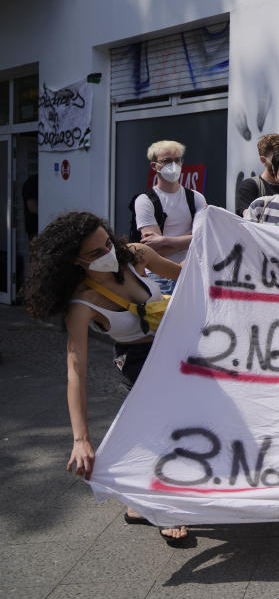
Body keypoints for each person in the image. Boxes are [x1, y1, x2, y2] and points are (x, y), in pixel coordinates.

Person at [23, 211, 188, 545]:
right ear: (74, 262)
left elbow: (188, 278)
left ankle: (137, 506)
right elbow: (76, 370)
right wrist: (81, 439)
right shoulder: (82, 304)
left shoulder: (136, 255)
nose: (108, 253)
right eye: (95, 253)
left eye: (107, 243)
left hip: (177, 346)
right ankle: (161, 505)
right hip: (137, 361)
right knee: (163, 426)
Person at [134, 140, 208, 295]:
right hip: (159, 275)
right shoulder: (145, 201)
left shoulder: (196, 198)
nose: (173, 165)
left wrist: (164, 240)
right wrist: (190, 238)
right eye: (166, 161)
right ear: (154, 166)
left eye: (177, 160)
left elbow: (204, 238)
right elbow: (156, 250)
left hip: (190, 271)